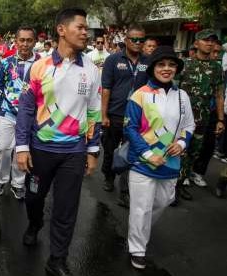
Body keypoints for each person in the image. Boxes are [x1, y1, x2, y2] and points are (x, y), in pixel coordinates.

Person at [16, 8, 101, 276]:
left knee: (66, 208)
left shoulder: (90, 69)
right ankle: (34, 222)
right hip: (40, 150)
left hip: (73, 152)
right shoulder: (40, 67)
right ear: (61, 30)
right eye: (80, 27)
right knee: (33, 197)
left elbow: (94, 112)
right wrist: (22, 147)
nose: (85, 32)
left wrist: (92, 150)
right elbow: (26, 109)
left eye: (86, 28)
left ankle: (57, 259)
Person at [124, 46, 195, 270]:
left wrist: (182, 143)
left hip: (170, 163)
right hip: (142, 162)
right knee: (141, 208)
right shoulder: (140, 94)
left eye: (171, 65)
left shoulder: (182, 96)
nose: (166, 69)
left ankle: (140, 229)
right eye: (161, 64)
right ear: (153, 67)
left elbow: (189, 125)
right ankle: (137, 248)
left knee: (163, 202)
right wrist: (147, 155)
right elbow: (131, 129)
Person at [173, 29, 225, 205]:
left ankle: (180, 185)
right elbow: (173, 91)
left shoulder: (217, 68)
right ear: (196, 43)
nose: (210, 43)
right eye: (206, 40)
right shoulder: (184, 65)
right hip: (181, 120)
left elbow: (219, 94)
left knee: (192, 154)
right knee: (177, 152)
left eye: (212, 41)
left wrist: (220, 119)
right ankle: (169, 186)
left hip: (202, 120)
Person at [101, 25, 148, 208]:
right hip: (115, 115)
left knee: (132, 153)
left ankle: (125, 191)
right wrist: (103, 115)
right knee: (111, 149)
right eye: (134, 39)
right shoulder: (113, 60)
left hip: (137, 118)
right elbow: (106, 88)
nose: (138, 43)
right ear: (126, 41)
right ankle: (108, 176)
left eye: (141, 40)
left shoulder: (149, 61)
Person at [0, 26, 40, 200]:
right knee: (3, 149)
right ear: (16, 41)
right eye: (22, 40)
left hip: (30, 115)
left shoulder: (41, 64)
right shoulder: (6, 63)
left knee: (22, 150)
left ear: (34, 42)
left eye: (29, 40)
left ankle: (18, 183)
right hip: (7, 113)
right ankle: (1, 179)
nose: (25, 44)